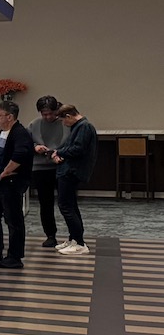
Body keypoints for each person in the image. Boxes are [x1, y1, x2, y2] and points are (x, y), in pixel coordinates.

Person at [0, 100, 35, 270]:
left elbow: (20, 155)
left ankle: (15, 257)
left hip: (10, 182)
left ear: (10, 117)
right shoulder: (1, 133)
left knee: (13, 219)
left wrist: (6, 172)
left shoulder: (20, 133)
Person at [45, 104, 99, 256]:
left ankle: (79, 242)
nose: (63, 124)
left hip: (71, 171)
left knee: (67, 207)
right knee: (70, 206)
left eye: (63, 120)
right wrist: (59, 153)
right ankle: (73, 239)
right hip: (68, 170)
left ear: (68, 116)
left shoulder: (84, 127)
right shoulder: (80, 127)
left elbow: (77, 149)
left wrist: (58, 152)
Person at [29, 96, 65, 248]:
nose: (48, 117)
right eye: (44, 114)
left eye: (51, 113)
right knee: (45, 204)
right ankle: (50, 235)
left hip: (61, 166)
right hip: (40, 167)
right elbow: (26, 143)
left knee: (66, 203)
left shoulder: (64, 123)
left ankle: (74, 236)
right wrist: (35, 147)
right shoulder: (34, 124)